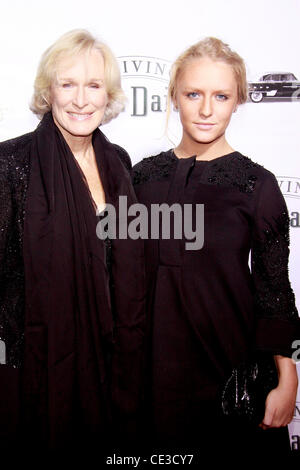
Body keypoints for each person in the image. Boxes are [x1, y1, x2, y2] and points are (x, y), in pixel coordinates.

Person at [132, 37, 299, 461]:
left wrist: (287, 377)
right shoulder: (140, 179)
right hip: (151, 374)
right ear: (173, 97)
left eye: (221, 96)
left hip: (232, 375)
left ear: (237, 101)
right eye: (193, 94)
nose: (206, 110)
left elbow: (274, 291)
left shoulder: (256, 185)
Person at [0, 29, 145, 458]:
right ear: (49, 91)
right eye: (68, 84)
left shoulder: (119, 161)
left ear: (109, 94)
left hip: (109, 366)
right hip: (33, 373)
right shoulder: (10, 164)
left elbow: (126, 265)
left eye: (94, 85)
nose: (81, 99)